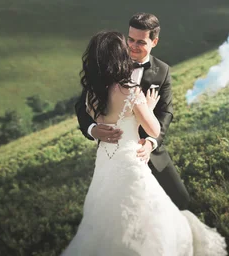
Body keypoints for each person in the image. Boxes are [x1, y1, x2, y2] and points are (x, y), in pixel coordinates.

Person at [63, 30, 227, 255]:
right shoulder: (129, 90)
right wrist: (146, 108)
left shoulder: (92, 92)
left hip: (105, 163)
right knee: (148, 215)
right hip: (131, 163)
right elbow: (154, 128)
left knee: (105, 218)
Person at [76, 13, 190, 209]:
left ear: (154, 41)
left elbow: (166, 112)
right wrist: (92, 129)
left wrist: (151, 143)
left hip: (151, 152)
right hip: (115, 154)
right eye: (130, 39)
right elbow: (81, 105)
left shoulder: (162, 71)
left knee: (181, 201)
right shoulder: (108, 64)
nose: (132, 46)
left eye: (140, 42)